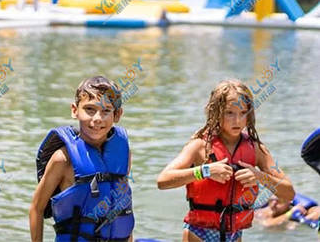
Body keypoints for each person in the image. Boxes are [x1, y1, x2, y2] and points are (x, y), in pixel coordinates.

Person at [156, 79, 294, 242]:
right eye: (230, 113)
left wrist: (259, 176)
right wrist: (206, 171)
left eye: (243, 113)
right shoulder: (200, 146)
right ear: (217, 113)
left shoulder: (256, 149)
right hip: (198, 233)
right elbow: (163, 181)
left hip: (234, 235)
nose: (237, 120)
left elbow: (289, 193)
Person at [30, 76, 135, 241]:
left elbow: (122, 204)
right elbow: (37, 207)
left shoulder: (123, 153)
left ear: (117, 114)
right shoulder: (63, 160)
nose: (97, 118)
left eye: (106, 110)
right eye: (90, 109)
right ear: (74, 110)